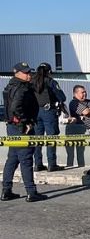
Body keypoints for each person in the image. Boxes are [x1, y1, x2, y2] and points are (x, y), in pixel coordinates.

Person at [2, 62, 48, 202]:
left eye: (29, 72)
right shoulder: (21, 88)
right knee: (26, 158)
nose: (29, 75)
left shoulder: (11, 85)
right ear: (17, 73)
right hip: (21, 128)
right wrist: (25, 122)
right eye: (26, 72)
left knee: (13, 159)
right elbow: (16, 107)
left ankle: (6, 190)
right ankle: (31, 192)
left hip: (12, 127)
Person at [32, 62, 67, 172]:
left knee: (38, 139)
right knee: (51, 138)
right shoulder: (51, 82)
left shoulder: (32, 82)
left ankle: (38, 164)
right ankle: (52, 164)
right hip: (48, 112)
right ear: (49, 72)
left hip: (36, 112)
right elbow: (62, 97)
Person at [65, 85, 90, 167]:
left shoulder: (89, 101)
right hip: (73, 130)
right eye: (82, 92)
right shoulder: (74, 103)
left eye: (85, 92)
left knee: (81, 153)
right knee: (70, 154)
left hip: (84, 131)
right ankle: (70, 168)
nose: (84, 94)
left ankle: (81, 168)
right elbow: (86, 112)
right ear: (75, 94)